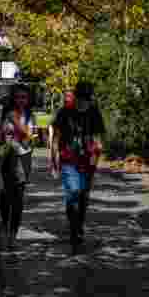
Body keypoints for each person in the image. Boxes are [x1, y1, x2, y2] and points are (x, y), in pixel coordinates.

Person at [51, 81, 105, 250]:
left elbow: (98, 139)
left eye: (87, 99)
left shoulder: (94, 112)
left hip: (87, 161)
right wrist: (54, 161)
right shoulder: (64, 113)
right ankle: (74, 231)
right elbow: (56, 139)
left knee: (83, 196)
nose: (84, 102)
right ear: (76, 97)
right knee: (73, 191)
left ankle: (78, 225)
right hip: (69, 160)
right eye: (81, 98)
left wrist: (95, 160)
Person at [0, 84, 34, 249]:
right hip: (7, 157)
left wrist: (16, 124)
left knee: (18, 200)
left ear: (28, 99)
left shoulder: (29, 116)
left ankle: (12, 236)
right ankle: (5, 229)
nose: (21, 100)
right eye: (18, 97)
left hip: (23, 159)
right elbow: (1, 135)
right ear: (13, 98)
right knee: (4, 197)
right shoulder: (6, 114)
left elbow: (28, 138)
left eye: (24, 97)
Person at [48, 91, 75, 179]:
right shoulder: (61, 112)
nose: (67, 99)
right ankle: (56, 168)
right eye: (66, 97)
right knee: (56, 148)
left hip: (72, 137)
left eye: (69, 96)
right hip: (61, 135)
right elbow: (56, 128)